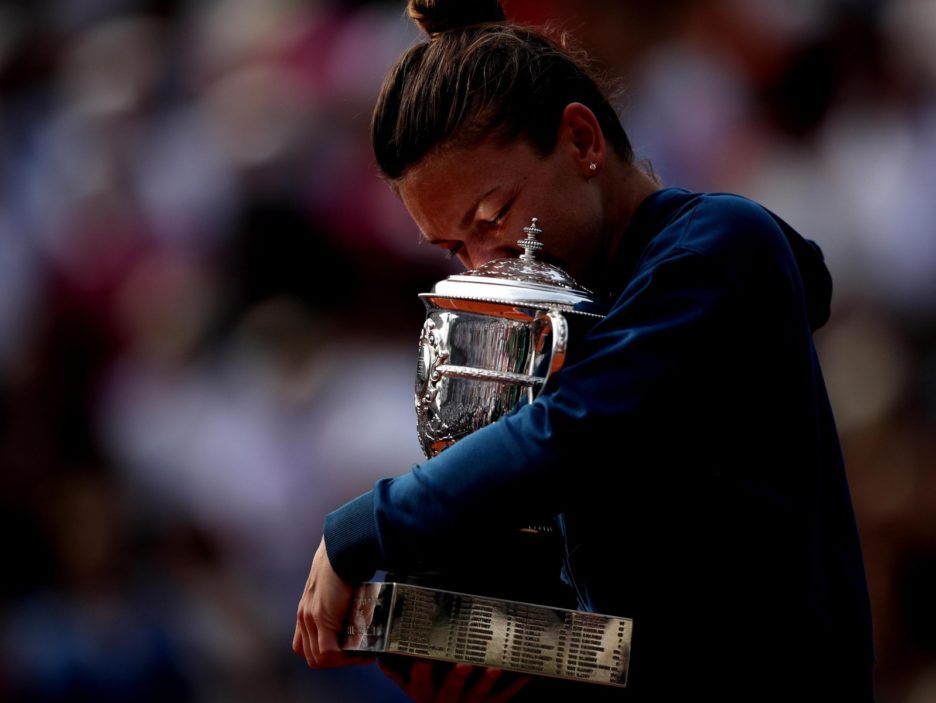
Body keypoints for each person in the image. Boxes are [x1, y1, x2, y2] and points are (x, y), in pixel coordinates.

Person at [293, 1, 876, 701]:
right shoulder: (563, 321)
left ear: (581, 141)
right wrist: (495, 653)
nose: (486, 265)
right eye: (455, 249)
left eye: (494, 218)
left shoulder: (722, 246)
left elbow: (574, 431)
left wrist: (362, 528)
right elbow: (627, 641)